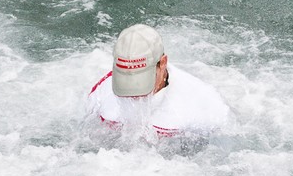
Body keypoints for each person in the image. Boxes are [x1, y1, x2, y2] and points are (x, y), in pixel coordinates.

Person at [87, 24, 229, 136]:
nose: (133, 92)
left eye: (139, 79)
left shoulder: (203, 107)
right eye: (126, 78)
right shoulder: (100, 92)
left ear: (162, 63)